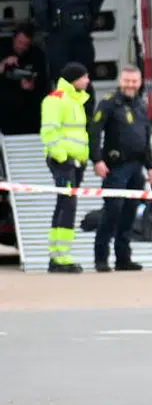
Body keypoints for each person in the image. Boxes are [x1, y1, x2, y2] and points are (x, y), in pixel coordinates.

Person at [90, 64, 152, 272]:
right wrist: (97, 160)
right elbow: (94, 132)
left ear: (139, 83)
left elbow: (145, 140)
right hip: (115, 167)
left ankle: (123, 258)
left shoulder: (140, 105)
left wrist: (151, 167)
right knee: (112, 211)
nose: (130, 85)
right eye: (127, 81)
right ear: (120, 81)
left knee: (129, 213)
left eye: (134, 81)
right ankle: (101, 258)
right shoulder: (109, 103)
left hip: (136, 167)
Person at [39, 63, 91, 273]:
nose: (88, 81)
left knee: (66, 203)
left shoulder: (75, 100)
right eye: (85, 77)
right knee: (67, 205)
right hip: (64, 161)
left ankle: (58, 255)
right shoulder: (56, 99)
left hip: (75, 162)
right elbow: (49, 132)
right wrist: (62, 157)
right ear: (75, 79)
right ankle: (61, 256)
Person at [32, 0, 104, 79]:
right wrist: (91, 18)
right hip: (82, 29)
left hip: (60, 33)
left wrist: (48, 27)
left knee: (62, 77)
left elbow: (40, 7)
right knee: (84, 76)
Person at [0, 24, 48, 136]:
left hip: (27, 107)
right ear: (14, 39)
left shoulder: (37, 55)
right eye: (19, 42)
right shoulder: (2, 49)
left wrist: (32, 86)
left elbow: (42, 81)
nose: (22, 46)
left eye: (26, 44)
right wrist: (3, 64)